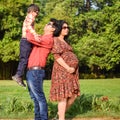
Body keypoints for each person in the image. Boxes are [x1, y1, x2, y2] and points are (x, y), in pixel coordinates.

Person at [26, 18, 57, 120]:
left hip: (36, 71)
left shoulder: (48, 39)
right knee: (35, 98)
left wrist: (28, 26)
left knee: (39, 97)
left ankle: (43, 118)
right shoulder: (42, 37)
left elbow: (29, 38)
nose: (46, 24)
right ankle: (38, 118)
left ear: (53, 29)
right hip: (32, 71)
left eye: (49, 24)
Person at [49, 20, 80, 120]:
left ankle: (59, 114)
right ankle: (61, 118)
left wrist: (73, 68)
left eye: (67, 27)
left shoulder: (65, 41)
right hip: (62, 71)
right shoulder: (56, 40)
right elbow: (57, 56)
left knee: (73, 95)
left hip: (71, 72)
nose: (67, 29)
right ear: (59, 29)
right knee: (63, 96)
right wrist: (68, 67)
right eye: (64, 27)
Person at [12, 4, 40, 87]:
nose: (37, 13)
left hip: (27, 41)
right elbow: (28, 26)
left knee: (27, 60)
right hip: (25, 41)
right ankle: (18, 76)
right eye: (36, 11)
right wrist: (35, 34)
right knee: (24, 59)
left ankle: (22, 76)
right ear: (31, 11)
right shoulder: (30, 16)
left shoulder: (30, 17)